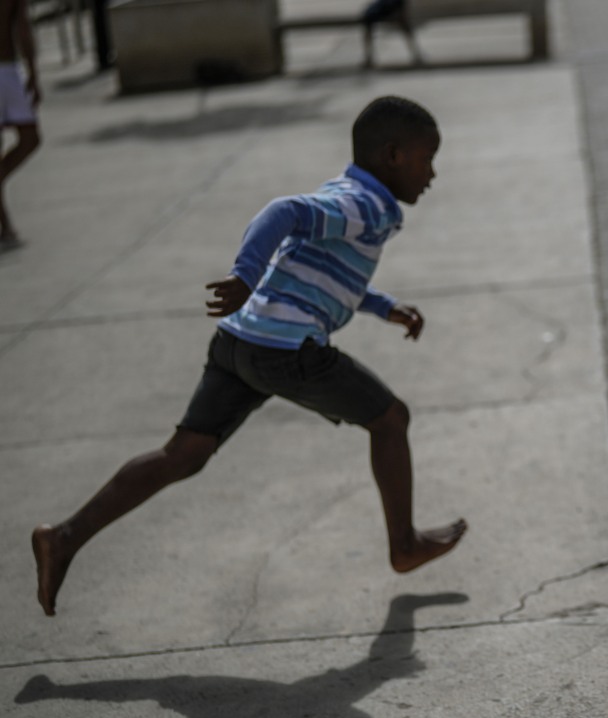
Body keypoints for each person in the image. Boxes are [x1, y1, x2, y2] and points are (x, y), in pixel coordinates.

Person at [31, 96, 467, 617]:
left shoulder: (346, 192)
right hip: (287, 350)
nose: (432, 174)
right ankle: (404, 545)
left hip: (238, 342)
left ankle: (63, 537)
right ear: (393, 155)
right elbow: (283, 211)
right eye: (426, 159)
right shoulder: (365, 205)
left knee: (183, 455)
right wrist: (244, 273)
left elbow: (325, 271)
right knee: (390, 419)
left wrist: (382, 306)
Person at [0, 0, 40, 250]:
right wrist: (34, 73)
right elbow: (23, 29)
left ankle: (6, 227)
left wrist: (32, 72)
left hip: (8, 69)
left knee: (30, 138)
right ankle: (6, 226)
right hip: (7, 70)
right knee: (30, 138)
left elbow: (24, 29)